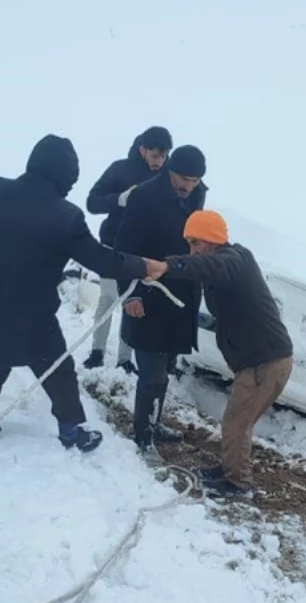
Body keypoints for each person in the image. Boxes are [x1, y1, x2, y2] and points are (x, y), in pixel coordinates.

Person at [0, 134, 168, 455]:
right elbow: (101, 259)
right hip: (34, 320)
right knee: (59, 373)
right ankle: (71, 430)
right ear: (66, 177)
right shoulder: (64, 216)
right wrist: (143, 266)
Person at [163, 210, 293, 496]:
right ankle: (230, 470)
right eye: (189, 244)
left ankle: (238, 483)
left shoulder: (235, 259)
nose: (192, 250)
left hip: (266, 363)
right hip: (257, 361)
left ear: (211, 240)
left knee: (237, 422)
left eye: (196, 243)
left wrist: (167, 267)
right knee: (237, 421)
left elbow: (213, 268)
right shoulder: (227, 265)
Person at [116, 143, 208, 449]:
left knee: (166, 369)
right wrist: (128, 294)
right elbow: (124, 248)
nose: (187, 186)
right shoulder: (144, 196)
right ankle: (144, 438)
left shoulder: (198, 195)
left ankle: (154, 422)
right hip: (147, 294)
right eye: (183, 178)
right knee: (151, 374)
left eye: (193, 181)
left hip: (181, 295)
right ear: (170, 170)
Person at [82, 125, 172, 369]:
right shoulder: (119, 169)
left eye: (164, 156)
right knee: (110, 297)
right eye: (155, 155)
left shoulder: (167, 176)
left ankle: (125, 359)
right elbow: (92, 202)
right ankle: (97, 352)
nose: (160, 161)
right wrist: (119, 199)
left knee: (134, 301)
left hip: (145, 252)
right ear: (143, 149)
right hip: (112, 245)